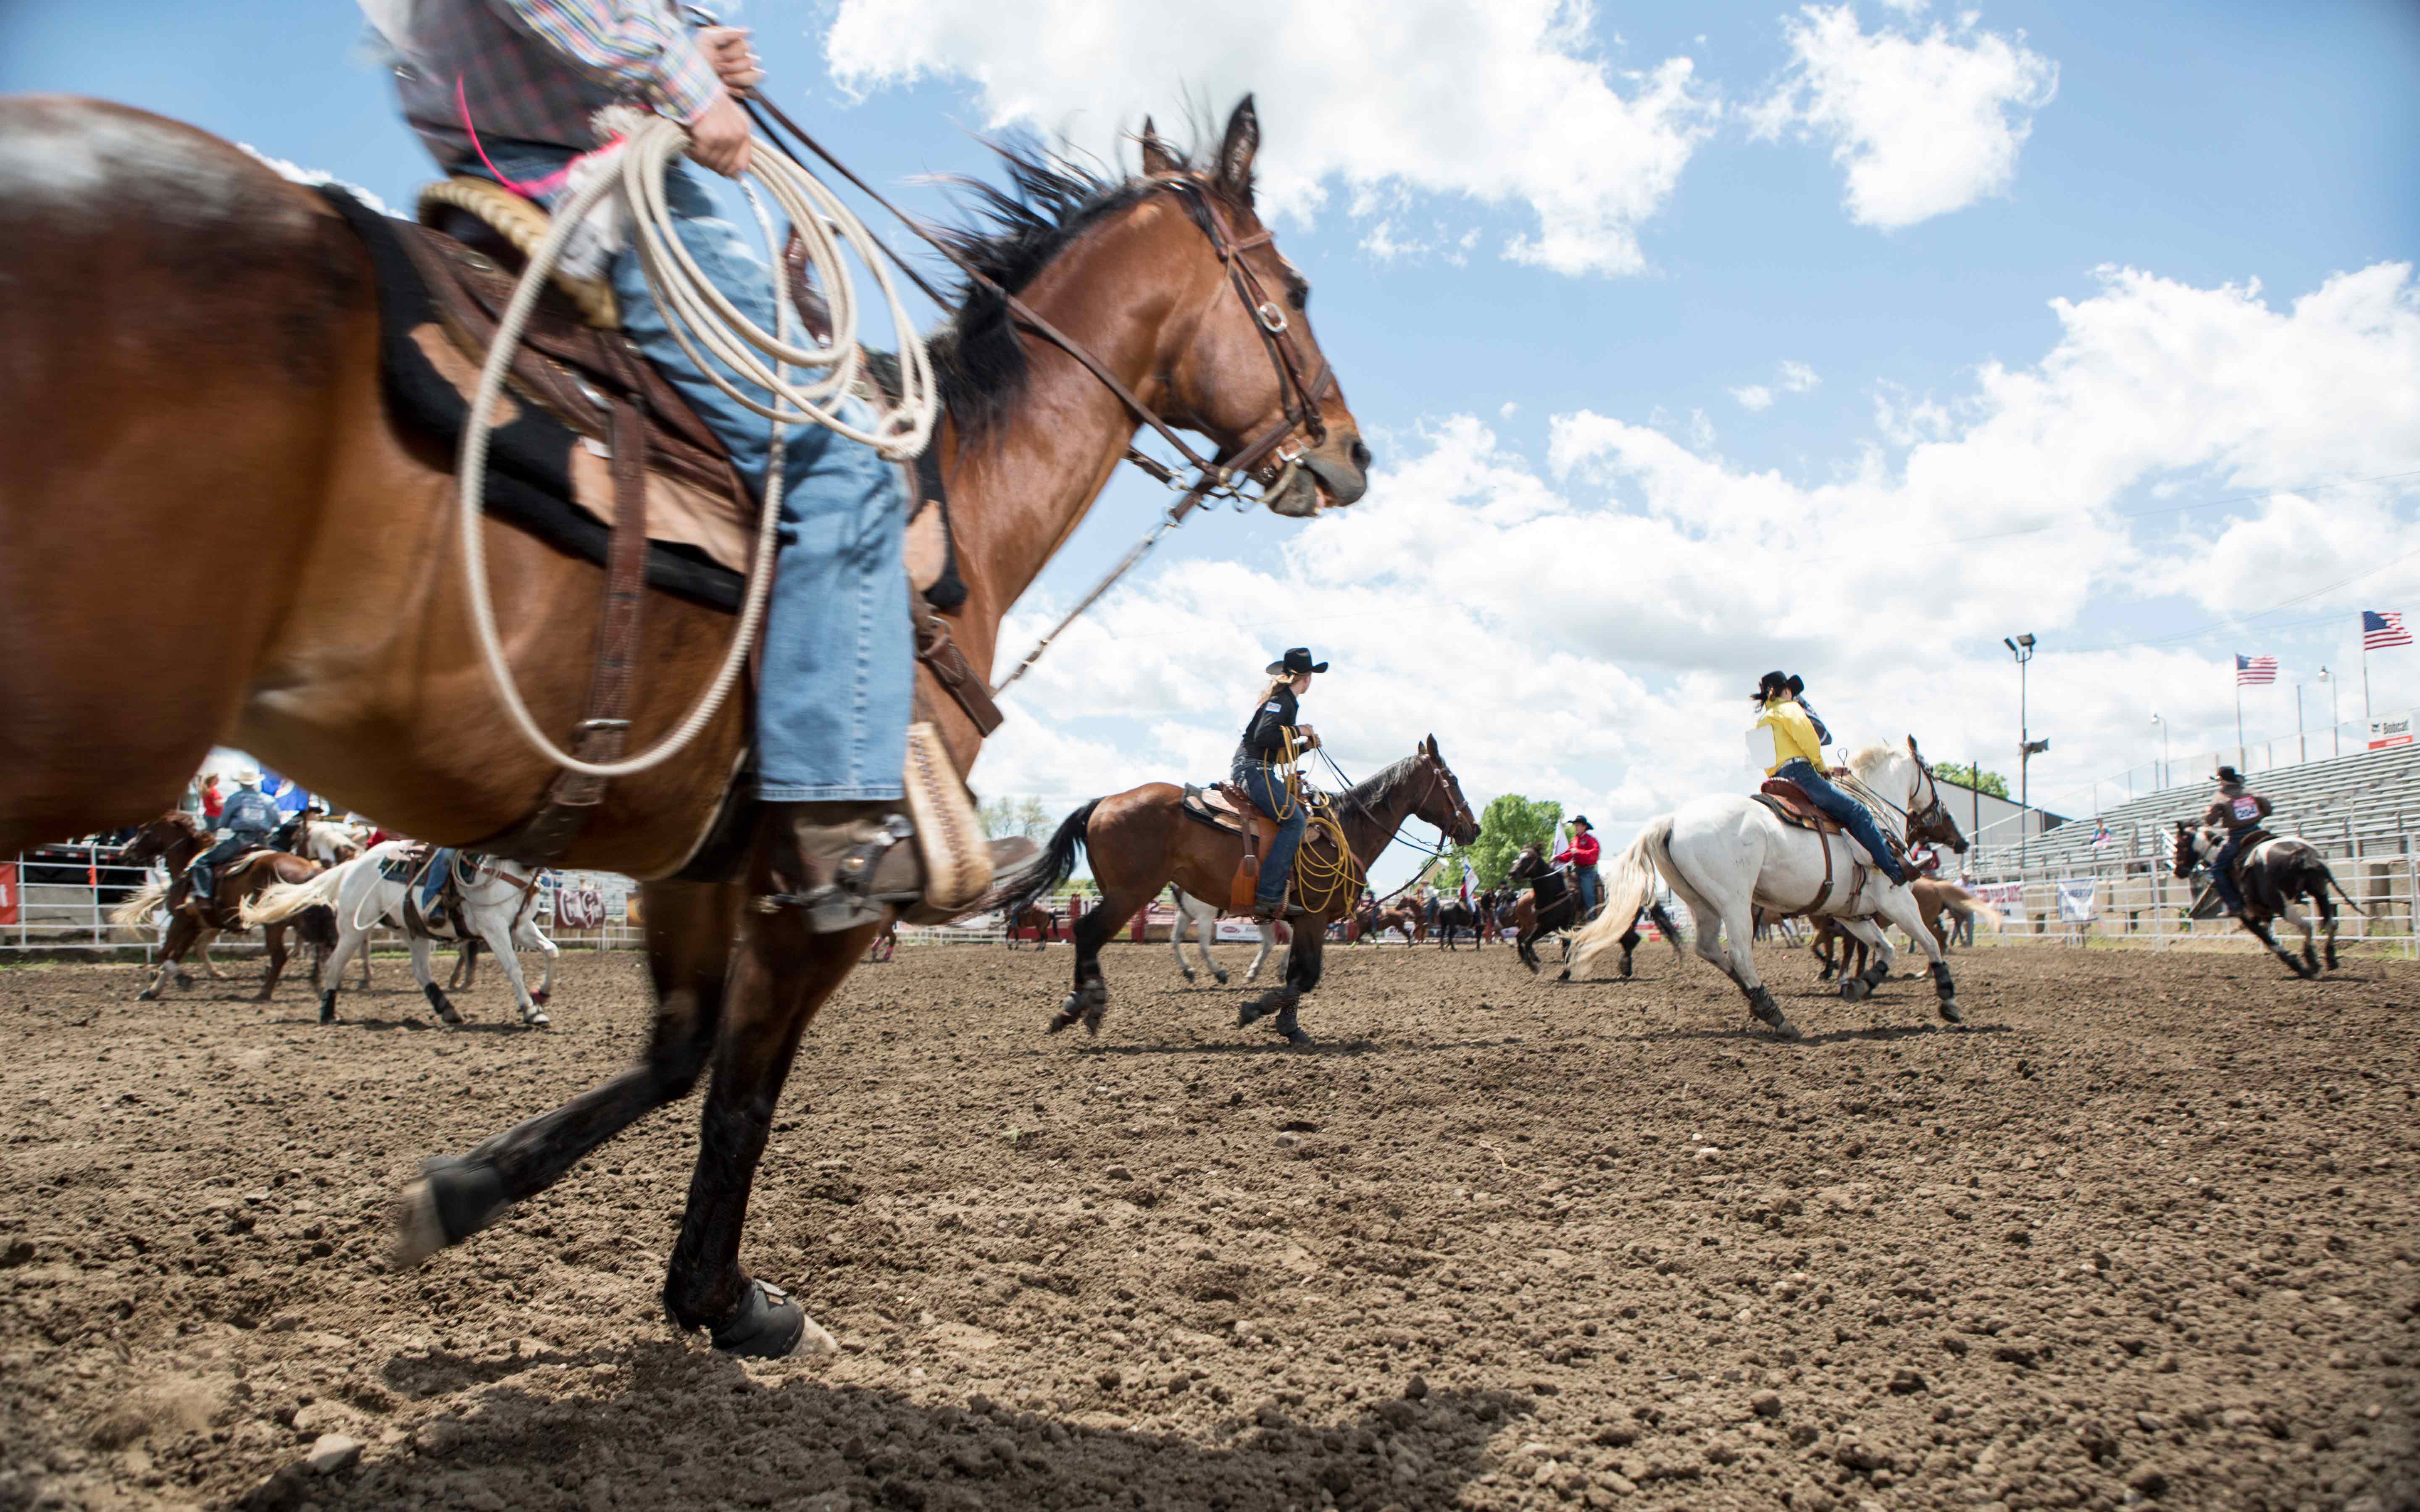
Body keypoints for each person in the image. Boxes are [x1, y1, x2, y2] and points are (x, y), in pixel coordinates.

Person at [374, 0, 1021, 930]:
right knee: (846, 462)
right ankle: (837, 825)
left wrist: (690, 53)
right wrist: (685, 82)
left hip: (523, 156)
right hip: (599, 185)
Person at [1754, 671, 1907, 886]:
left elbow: (1765, 763)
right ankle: (1895, 870)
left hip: (1778, 780)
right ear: (1786, 690)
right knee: (1858, 812)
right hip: (1803, 775)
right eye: (1791, 691)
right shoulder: (1790, 709)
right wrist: (1821, 767)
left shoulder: (1759, 724)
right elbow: (1810, 741)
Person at [1233, 648, 1326, 921]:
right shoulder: (1282, 702)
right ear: (1307, 678)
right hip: (1253, 771)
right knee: (1295, 822)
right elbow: (1264, 736)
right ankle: (1269, 896)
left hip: (1259, 768)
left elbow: (1275, 748)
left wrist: (1305, 747)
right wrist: (1302, 731)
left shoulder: (1283, 701)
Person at [187, 768, 280, 903]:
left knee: (202, 862)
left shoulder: (235, 798)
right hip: (265, 843)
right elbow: (277, 821)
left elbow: (224, 822)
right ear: (255, 783)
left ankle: (205, 897)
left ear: (241, 783)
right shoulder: (269, 800)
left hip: (242, 841)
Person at [2201, 766, 2273, 917]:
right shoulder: (2250, 792)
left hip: (2238, 837)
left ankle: (2235, 906)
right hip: (2259, 832)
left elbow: (2210, 821)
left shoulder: (2220, 798)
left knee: (2217, 870)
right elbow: (2268, 809)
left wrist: (2210, 814)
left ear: (2222, 781)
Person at [1553, 816, 1603, 916]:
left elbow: (1595, 854)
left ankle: (1592, 917)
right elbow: (1569, 854)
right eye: (1575, 825)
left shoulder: (1591, 840)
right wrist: (1558, 858)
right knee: (1562, 888)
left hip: (1587, 872)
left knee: (1588, 893)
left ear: (1584, 827)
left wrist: (1578, 852)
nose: (1576, 827)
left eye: (1578, 825)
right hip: (1576, 871)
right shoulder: (1574, 840)